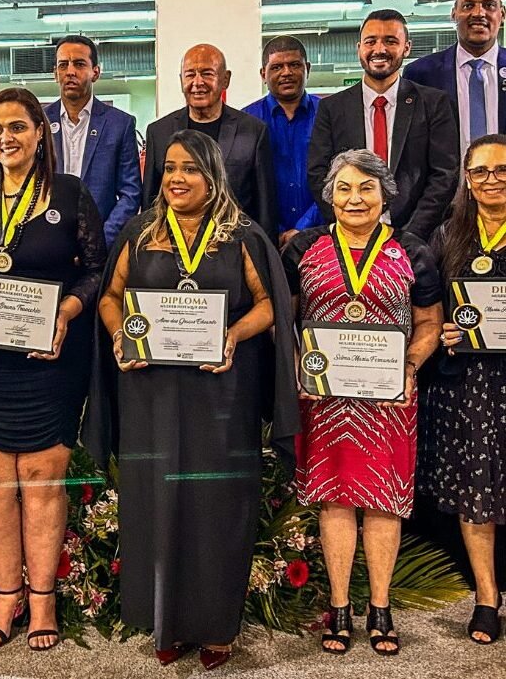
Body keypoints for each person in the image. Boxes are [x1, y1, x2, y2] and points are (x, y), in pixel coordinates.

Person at [86, 129, 299, 670]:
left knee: (215, 506)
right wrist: (118, 335)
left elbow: (269, 304)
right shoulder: (140, 231)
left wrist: (231, 334)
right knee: (155, 501)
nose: (176, 179)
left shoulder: (242, 235)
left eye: (189, 169)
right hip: (150, 392)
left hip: (220, 393)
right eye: (169, 169)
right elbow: (111, 296)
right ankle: (166, 619)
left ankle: (215, 626)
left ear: (213, 176)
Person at [0, 87, 107, 651]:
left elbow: (95, 270)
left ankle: (41, 601)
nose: (6, 138)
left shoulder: (69, 192)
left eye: (17, 127)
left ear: (40, 133)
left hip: (48, 358)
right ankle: (5, 595)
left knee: (41, 482)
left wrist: (66, 312)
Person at [282, 149, 442, 655]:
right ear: (330, 195)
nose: (355, 198)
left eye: (366, 188)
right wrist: (294, 367)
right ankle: (339, 606)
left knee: (382, 502)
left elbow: (430, 324)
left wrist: (410, 366)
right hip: (324, 400)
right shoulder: (303, 248)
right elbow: (285, 320)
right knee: (335, 500)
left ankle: (380, 605)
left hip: (389, 402)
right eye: (345, 188)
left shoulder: (412, 250)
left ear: (384, 196)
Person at [420, 134, 506, 644]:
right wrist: (447, 328)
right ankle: (487, 598)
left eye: (500, 170)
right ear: (467, 181)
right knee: (478, 492)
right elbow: (429, 307)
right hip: (470, 385)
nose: (491, 179)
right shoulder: (448, 235)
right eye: (480, 172)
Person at [307, 9, 459, 242]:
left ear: (406, 47)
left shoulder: (433, 103)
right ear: (359, 48)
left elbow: (444, 174)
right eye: (371, 41)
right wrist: (350, 226)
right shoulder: (332, 108)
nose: (379, 50)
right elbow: (319, 174)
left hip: (416, 238)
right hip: (349, 238)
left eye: (390, 41)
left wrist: (412, 234)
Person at [141, 43, 277, 239]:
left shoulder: (253, 131)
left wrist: (265, 256)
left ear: (225, 79)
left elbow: (265, 207)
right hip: (174, 248)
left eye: (207, 74)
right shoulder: (159, 132)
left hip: (235, 246)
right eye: (190, 75)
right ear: (181, 80)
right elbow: (151, 203)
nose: (198, 82)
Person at [45, 34, 141, 246]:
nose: (70, 71)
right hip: (48, 243)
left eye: (79, 64)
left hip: (100, 245)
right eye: (63, 65)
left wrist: (99, 241)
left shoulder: (120, 124)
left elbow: (130, 194)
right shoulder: (39, 122)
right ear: (55, 73)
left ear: (95, 72)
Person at [404, 0, 506, 157]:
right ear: (454, 13)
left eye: (489, 5)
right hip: (445, 186)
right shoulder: (419, 75)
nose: (478, 13)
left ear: (502, 14)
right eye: (468, 5)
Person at [243, 35, 323, 248]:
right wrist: (272, 229)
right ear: (263, 74)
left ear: (307, 68)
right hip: (263, 238)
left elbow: (337, 176)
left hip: (322, 234)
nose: (286, 72)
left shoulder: (329, 115)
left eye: (294, 65)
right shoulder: (245, 121)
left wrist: (304, 227)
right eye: (277, 67)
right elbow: (243, 185)